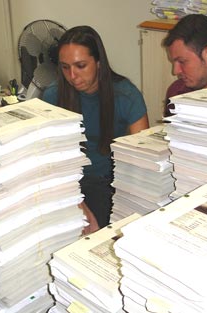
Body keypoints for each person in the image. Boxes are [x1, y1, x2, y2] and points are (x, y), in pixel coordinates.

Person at [43, 26, 149, 230]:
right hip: (67, 182)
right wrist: (78, 204)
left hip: (108, 181)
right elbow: (50, 161)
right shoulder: (53, 95)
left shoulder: (126, 95)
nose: (72, 75)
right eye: (65, 67)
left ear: (99, 62)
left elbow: (142, 157)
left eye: (81, 65)